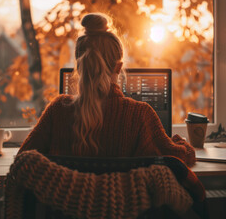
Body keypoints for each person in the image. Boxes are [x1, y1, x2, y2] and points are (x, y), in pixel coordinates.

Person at [18, 13, 196, 167]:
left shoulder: (57, 111)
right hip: (123, 207)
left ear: (80, 67)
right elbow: (181, 157)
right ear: (118, 67)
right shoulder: (140, 115)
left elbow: (22, 159)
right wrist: (180, 142)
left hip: (65, 206)